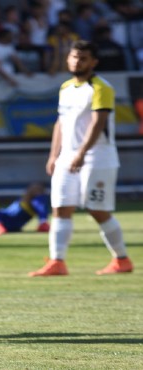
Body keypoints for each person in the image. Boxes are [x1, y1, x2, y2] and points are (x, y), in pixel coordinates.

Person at [29, 40, 134, 277]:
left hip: (98, 157)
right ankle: (57, 262)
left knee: (96, 210)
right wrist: (54, 154)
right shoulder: (66, 87)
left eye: (83, 58)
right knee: (60, 208)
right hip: (67, 157)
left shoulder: (101, 88)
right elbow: (61, 122)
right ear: (68, 59)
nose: (77, 61)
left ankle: (122, 260)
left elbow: (99, 123)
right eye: (74, 57)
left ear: (94, 62)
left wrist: (81, 153)